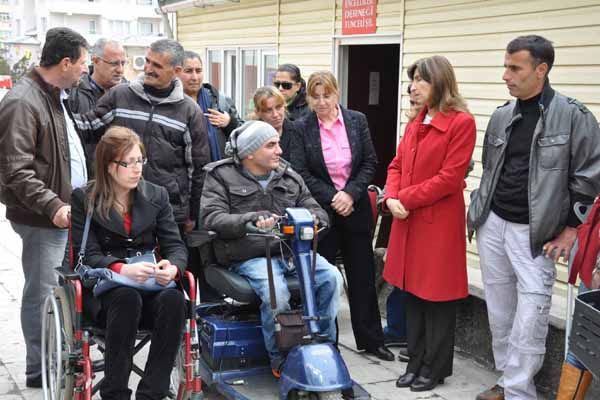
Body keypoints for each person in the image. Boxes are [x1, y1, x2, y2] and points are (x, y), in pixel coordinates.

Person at [467, 35, 600, 400]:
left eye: (514, 68)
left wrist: (572, 230)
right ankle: (505, 381)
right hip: (493, 223)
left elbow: (590, 177)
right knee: (499, 311)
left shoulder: (575, 116)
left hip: (537, 233)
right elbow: (493, 171)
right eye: (505, 66)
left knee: (531, 315)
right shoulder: (500, 115)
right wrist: (478, 215)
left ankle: (520, 393)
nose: (505, 76)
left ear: (540, 70)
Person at [200, 120, 343, 376]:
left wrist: (315, 219)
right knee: (276, 292)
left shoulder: (289, 176)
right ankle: (282, 358)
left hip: (291, 252)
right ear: (250, 152)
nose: (279, 150)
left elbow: (315, 208)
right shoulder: (220, 175)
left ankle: (323, 346)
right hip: (248, 255)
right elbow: (212, 218)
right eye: (271, 145)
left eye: (278, 143)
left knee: (332, 278)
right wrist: (249, 220)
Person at [0, 27, 88, 388]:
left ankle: (57, 356)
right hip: (42, 217)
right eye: (83, 63)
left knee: (59, 289)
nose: (85, 70)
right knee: (42, 291)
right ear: (65, 62)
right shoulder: (23, 100)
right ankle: (39, 369)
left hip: (64, 213)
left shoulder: (54, 95)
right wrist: (53, 205)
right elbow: (14, 169)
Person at [71, 126, 187, 400]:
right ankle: (115, 392)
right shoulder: (84, 199)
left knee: (174, 301)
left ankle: (152, 393)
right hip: (107, 292)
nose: (137, 169)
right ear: (109, 166)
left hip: (150, 286)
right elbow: (87, 255)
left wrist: (171, 268)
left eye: (140, 161)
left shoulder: (156, 195)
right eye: (128, 163)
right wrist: (122, 268)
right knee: (126, 297)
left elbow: (175, 246)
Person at [383, 56, 476, 392]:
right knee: (412, 295)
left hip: (436, 225)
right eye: (413, 80)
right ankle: (415, 360)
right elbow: (396, 165)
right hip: (407, 221)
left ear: (440, 82)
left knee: (436, 299)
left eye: (421, 80)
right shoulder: (414, 122)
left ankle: (434, 368)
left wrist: (404, 199)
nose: (413, 87)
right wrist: (391, 197)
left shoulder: (461, 123)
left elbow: (450, 178)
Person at [291, 71, 393, 362]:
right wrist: (333, 197)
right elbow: (301, 171)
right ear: (308, 98)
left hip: (356, 205)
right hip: (323, 212)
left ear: (337, 94)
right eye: (315, 96)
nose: (322, 102)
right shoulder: (301, 128)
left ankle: (372, 340)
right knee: (324, 279)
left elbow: (370, 161)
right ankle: (327, 341)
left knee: (362, 276)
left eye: (327, 95)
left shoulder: (356, 120)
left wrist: (349, 193)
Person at [74, 39, 210, 235]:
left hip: (167, 212)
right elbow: (86, 127)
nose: (148, 68)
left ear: (176, 70)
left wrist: (192, 214)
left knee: (165, 264)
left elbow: (198, 169)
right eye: (147, 61)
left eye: (157, 65)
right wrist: (54, 109)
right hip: (116, 207)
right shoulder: (119, 96)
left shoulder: (189, 111)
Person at [68, 38, 127, 172]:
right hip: (86, 179)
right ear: (95, 61)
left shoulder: (129, 94)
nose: (120, 70)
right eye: (114, 64)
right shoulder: (73, 92)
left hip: (119, 178)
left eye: (123, 63)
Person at [177, 50, 242, 160]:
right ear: (177, 72)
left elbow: (244, 135)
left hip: (217, 172)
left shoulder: (220, 101)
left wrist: (229, 123)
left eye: (198, 71)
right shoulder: (170, 104)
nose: (195, 77)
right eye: (188, 71)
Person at [249, 86, 297, 161]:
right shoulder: (251, 137)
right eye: (268, 110)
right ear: (258, 112)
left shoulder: (298, 132)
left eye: (278, 107)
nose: (275, 114)